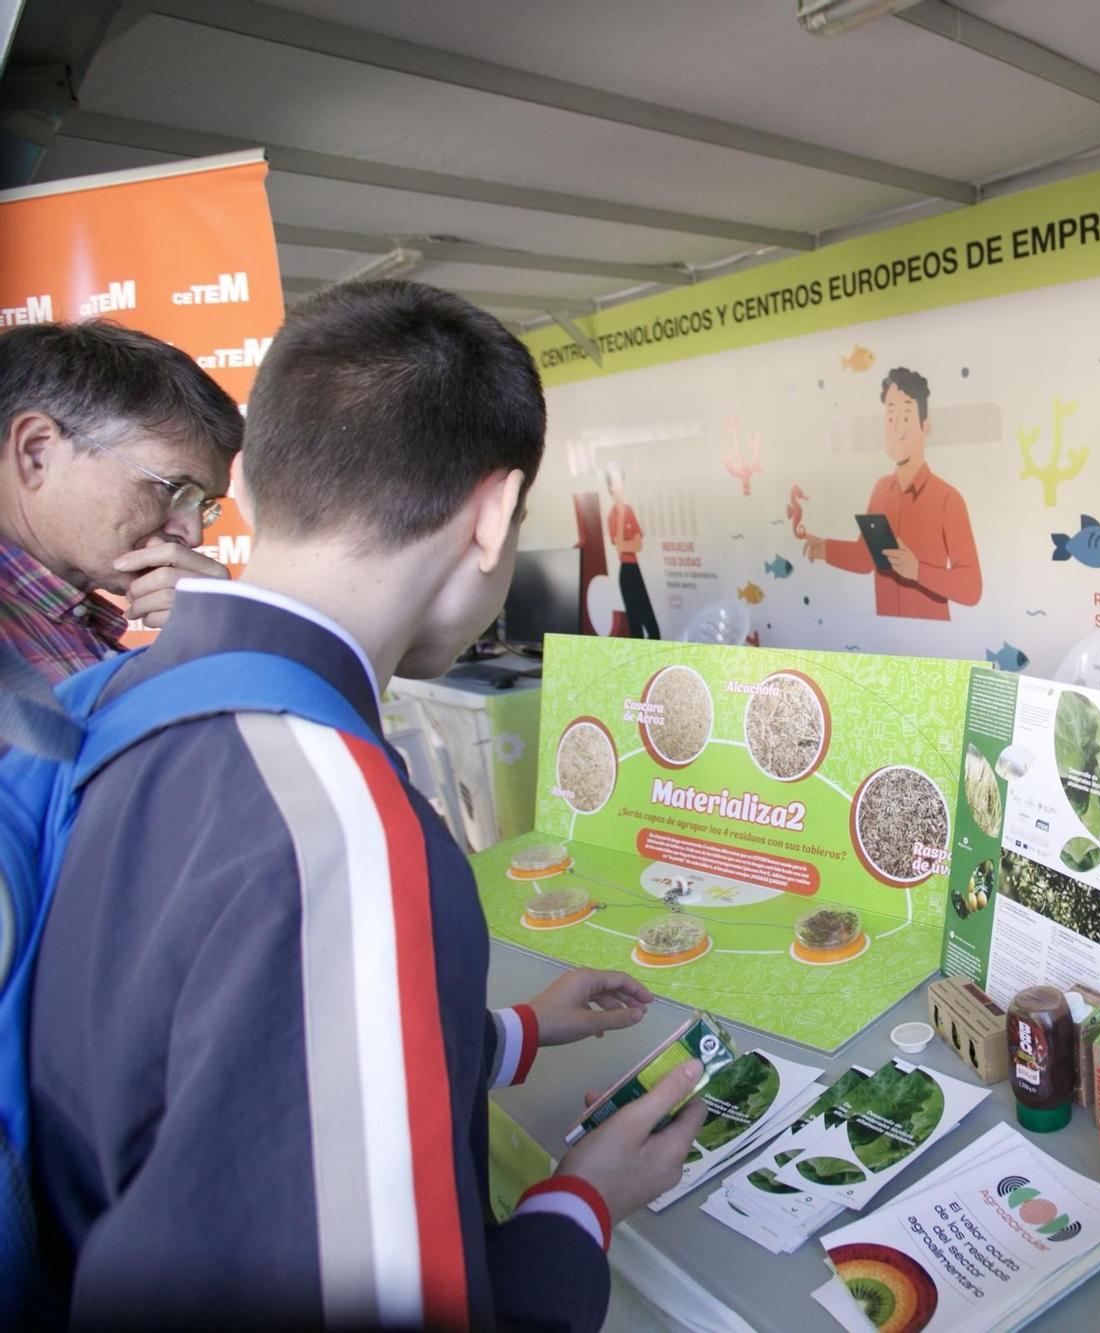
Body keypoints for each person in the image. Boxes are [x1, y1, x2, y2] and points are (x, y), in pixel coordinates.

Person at [29, 281, 706, 1329]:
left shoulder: (121, 697)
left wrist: (514, 1033)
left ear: (245, 482)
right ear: (490, 518)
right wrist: (581, 1202)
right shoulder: (342, 825)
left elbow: (207, 1055)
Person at [0, 321, 240, 684]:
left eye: (203, 504)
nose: (193, 535)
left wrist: (218, 651)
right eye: (173, 488)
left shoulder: (75, 626)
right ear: (37, 452)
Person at [804, 366, 982, 620]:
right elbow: (867, 559)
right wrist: (825, 549)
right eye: (889, 418)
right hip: (886, 641)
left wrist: (918, 570)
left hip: (933, 642)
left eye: (907, 416)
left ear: (926, 427)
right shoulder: (880, 489)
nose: (897, 427)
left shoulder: (948, 499)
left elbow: (972, 588)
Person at [605, 461, 661, 638]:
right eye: (615, 482)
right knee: (636, 628)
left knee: (653, 629)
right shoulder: (612, 516)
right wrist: (621, 518)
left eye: (621, 480)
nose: (619, 485)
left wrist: (627, 544)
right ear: (610, 487)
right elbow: (621, 547)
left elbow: (638, 545)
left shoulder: (629, 510)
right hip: (626, 574)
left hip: (636, 570)